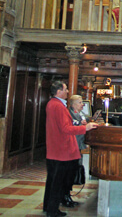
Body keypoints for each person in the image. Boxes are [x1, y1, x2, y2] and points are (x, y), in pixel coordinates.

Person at [43, 81, 98, 217]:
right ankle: (52, 211)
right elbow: (65, 129)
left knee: (52, 181)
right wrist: (85, 128)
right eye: (66, 89)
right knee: (58, 182)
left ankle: (48, 207)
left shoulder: (52, 104)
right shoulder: (58, 106)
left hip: (55, 149)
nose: (67, 91)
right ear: (59, 91)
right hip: (61, 150)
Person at [63, 95, 87, 208]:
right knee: (68, 172)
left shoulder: (80, 114)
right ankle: (64, 195)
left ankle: (68, 194)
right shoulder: (69, 114)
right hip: (71, 147)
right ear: (73, 104)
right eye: (80, 102)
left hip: (78, 146)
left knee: (73, 171)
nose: (82, 104)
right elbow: (71, 126)